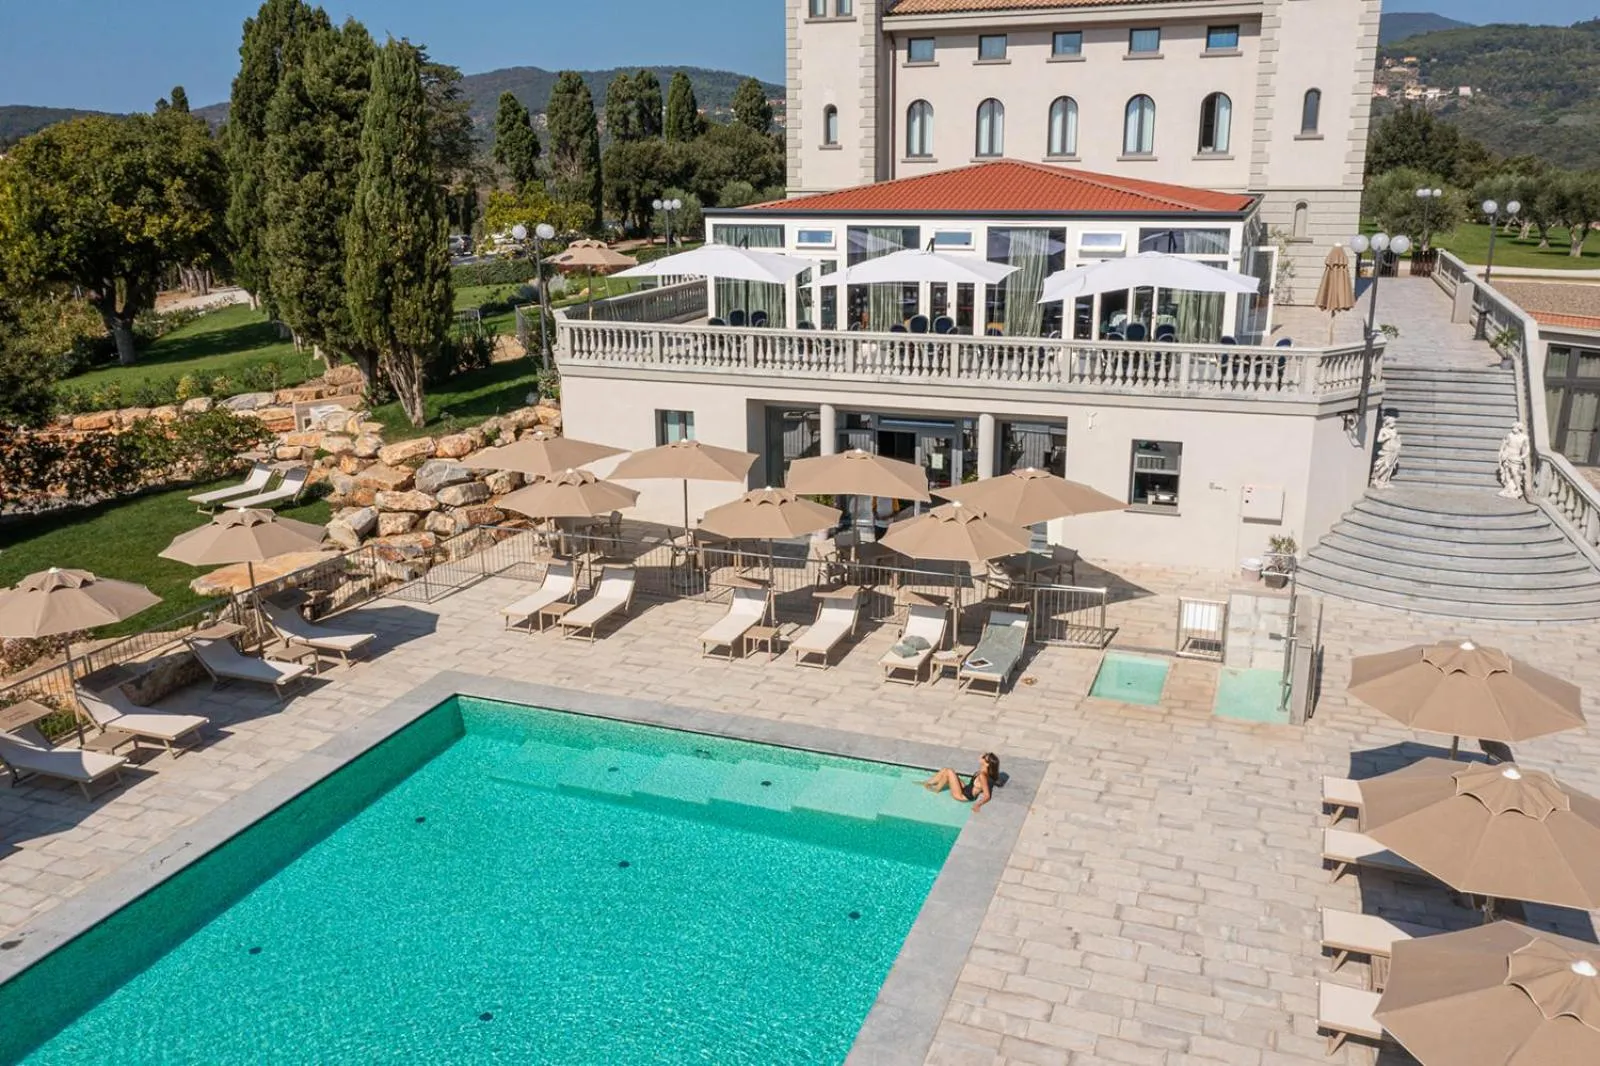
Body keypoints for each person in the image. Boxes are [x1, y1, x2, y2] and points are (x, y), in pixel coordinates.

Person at [921, 753, 1000, 812]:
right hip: (965, 789)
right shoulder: (983, 771)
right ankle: (928, 782)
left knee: (949, 771)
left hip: (962, 796)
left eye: (984, 757)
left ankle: (936, 789)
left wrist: (978, 804)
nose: (982, 756)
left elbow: (987, 795)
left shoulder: (983, 776)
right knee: (945, 770)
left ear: (987, 764)